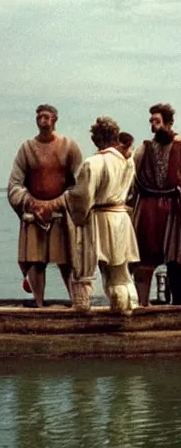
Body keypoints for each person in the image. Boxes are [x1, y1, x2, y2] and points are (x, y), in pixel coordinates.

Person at [7, 104, 83, 307]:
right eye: (39, 117)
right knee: (35, 261)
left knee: (66, 261)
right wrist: (32, 204)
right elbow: (14, 184)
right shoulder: (27, 148)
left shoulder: (69, 146)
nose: (42, 121)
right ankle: (39, 305)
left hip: (61, 216)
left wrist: (56, 204)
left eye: (46, 117)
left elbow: (80, 184)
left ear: (55, 119)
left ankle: (77, 303)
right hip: (34, 216)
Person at [66, 117, 140, 315]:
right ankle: (126, 309)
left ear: (96, 139)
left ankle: (84, 310)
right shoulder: (127, 162)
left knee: (89, 266)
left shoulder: (93, 163)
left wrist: (68, 198)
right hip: (122, 218)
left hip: (100, 219)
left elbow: (82, 197)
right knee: (120, 271)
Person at [131, 103, 181, 305]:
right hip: (149, 208)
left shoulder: (180, 146)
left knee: (176, 259)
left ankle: (177, 305)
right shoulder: (144, 149)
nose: (153, 125)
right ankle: (143, 305)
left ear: (168, 123)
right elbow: (132, 177)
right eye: (151, 121)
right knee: (145, 259)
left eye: (157, 121)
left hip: (175, 209)